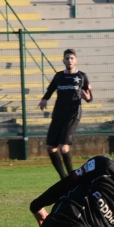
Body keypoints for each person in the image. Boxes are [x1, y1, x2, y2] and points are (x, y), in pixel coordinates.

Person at [38, 49, 92, 180]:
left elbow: (89, 97)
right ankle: (64, 178)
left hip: (72, 114)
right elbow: (50, 89)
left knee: (63, 147)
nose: (69, 60)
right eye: (67, 58)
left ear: (76, 60)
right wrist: (44, 99)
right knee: (50, 148)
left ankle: (73, 178)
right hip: (58, 114)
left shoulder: (81, 76)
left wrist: (87, 97)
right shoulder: (59, 76)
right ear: (63, 61)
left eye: (72, 58)